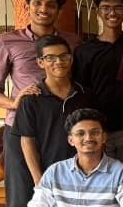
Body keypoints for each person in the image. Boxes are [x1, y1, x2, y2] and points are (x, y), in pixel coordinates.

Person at [0, 0, 80, 207]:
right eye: (38, 3)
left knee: (64, 192)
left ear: (58, 10)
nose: (44, 9)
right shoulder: (7, 41)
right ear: (27, 6)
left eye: (51, 4)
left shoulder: (73, 42)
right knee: (23, 197)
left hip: (60, 128)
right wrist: (14, 103)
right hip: (19, 129)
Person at [13, 35, 93, 189]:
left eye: (64, 56)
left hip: (83, 175)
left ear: (71, 59)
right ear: (40, 62)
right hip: (48, 176)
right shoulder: (31, 99)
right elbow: (27, 141)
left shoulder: (85, 94)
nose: (58, 62)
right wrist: (38, 180)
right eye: (50, 57)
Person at [74, 0, 123, 164]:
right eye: (106, 8)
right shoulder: (84, 51)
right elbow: (80, 91)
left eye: (118, 8)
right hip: (97, 130)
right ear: (98, 12)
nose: (112, 13)